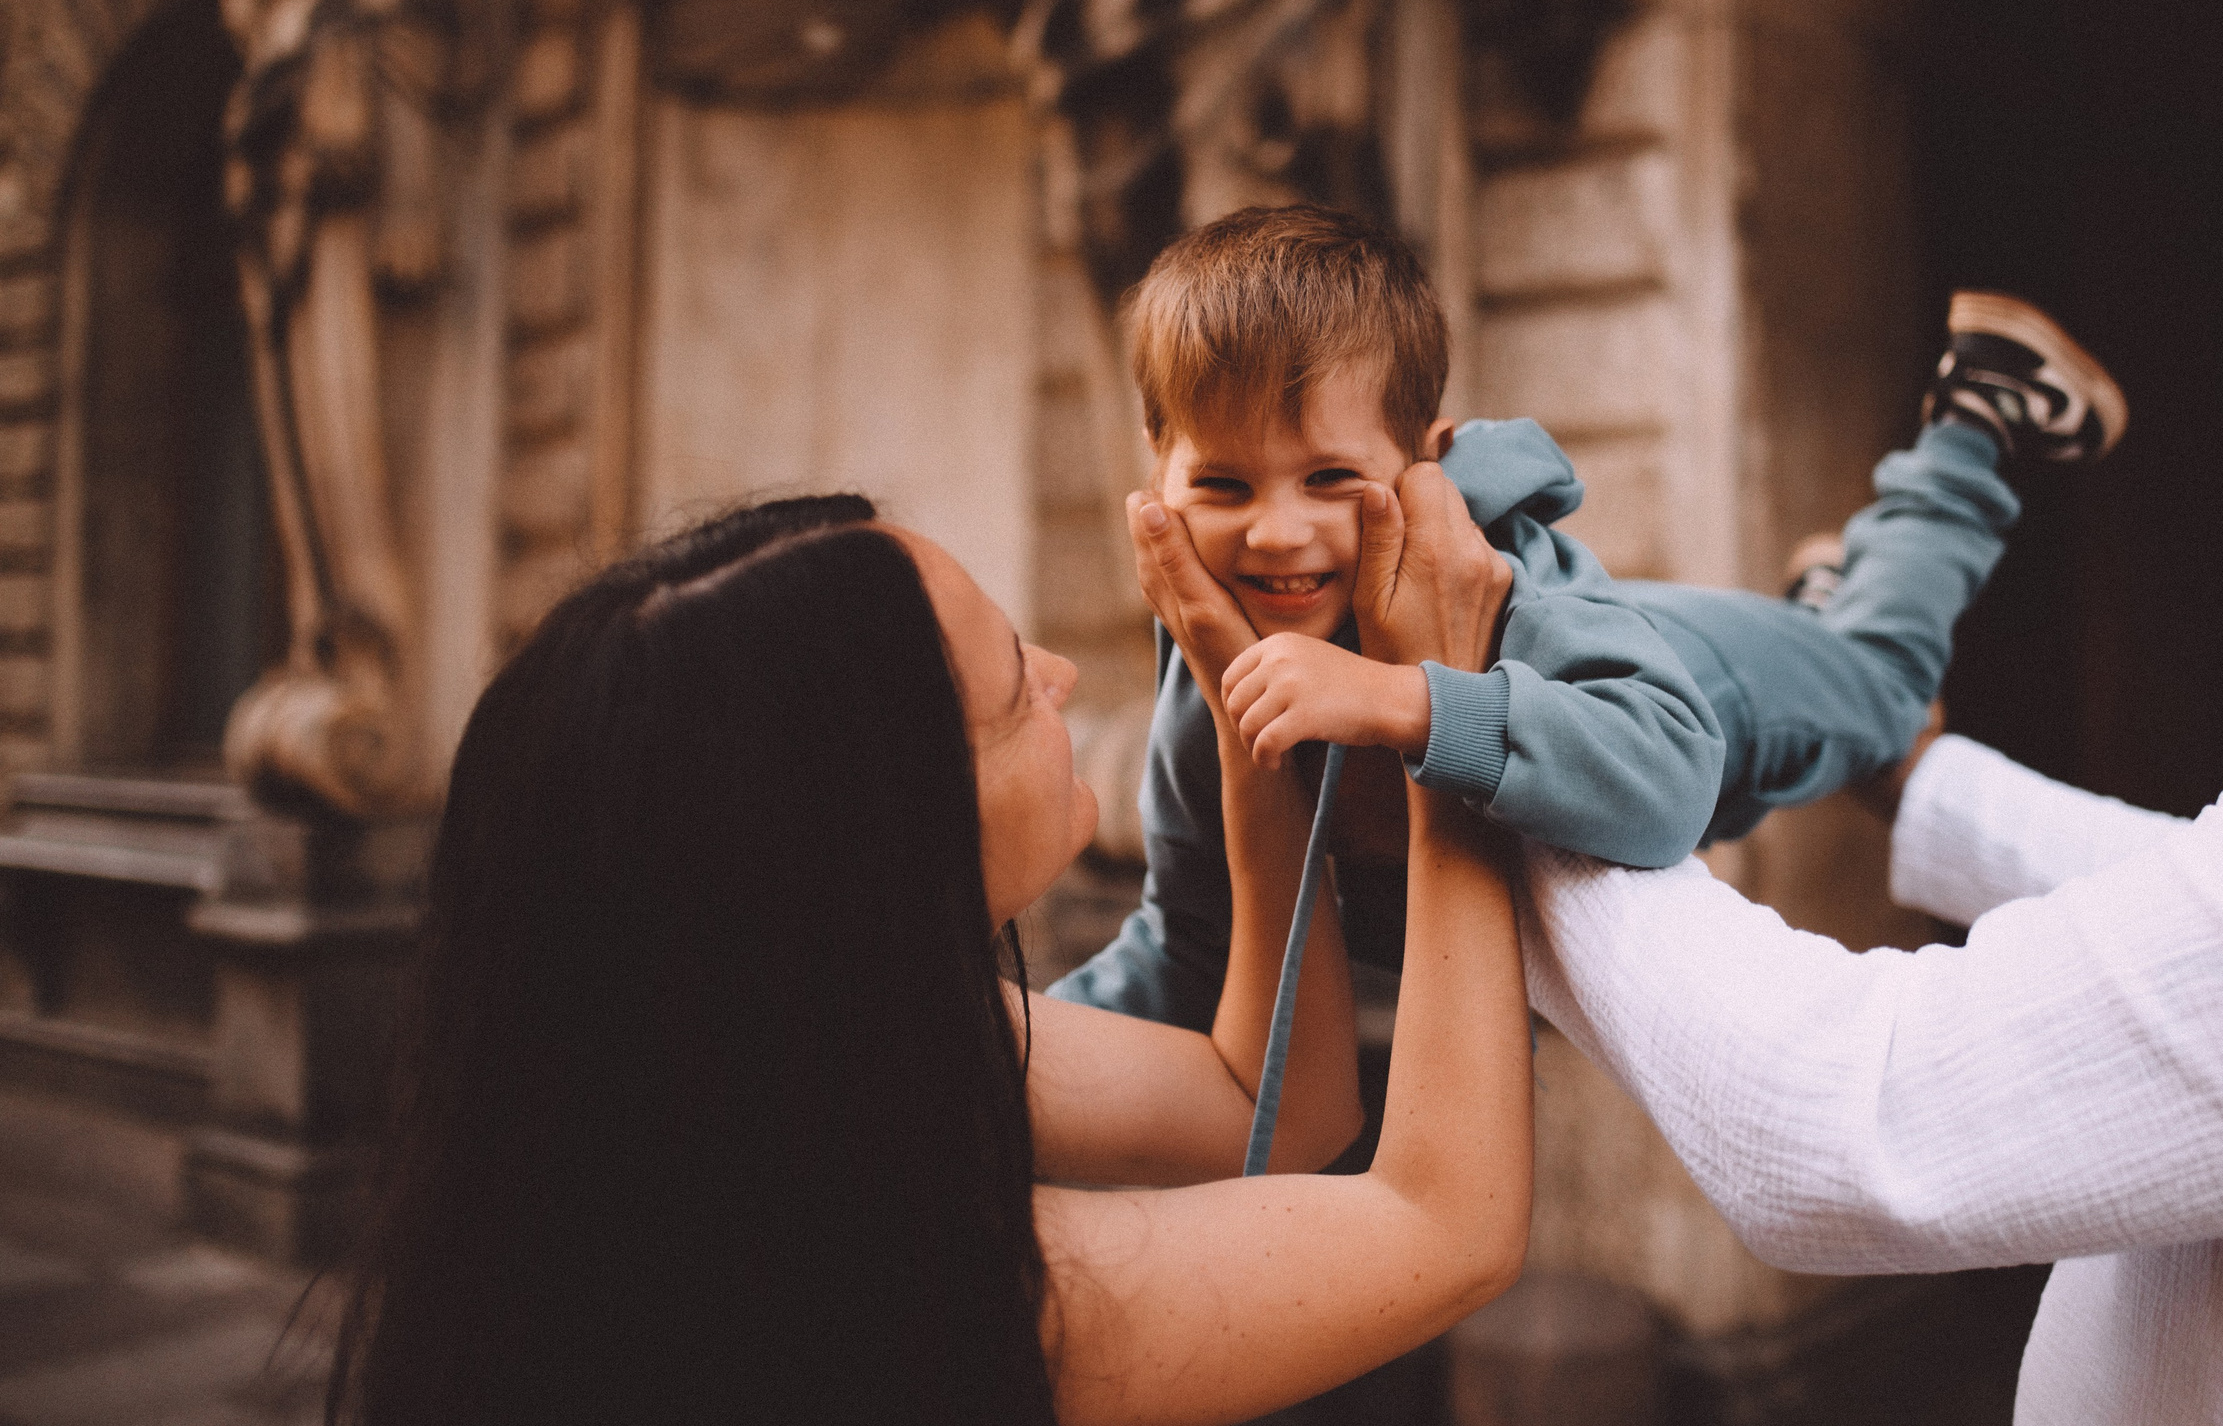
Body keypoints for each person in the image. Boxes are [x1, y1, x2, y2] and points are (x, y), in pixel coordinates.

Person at [1500, 209, 2223, 1422]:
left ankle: (1964, 440)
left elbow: (1848, 1127)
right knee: (1859, 673)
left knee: (1861, 670)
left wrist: (1496, 756)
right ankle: (1962, 446)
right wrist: (1923, 781)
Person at [323, 485, 1530, 1426]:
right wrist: (1449, 719)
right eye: (1013, 692)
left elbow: (1269, 1105)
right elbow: (1445, 1225)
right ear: (887, 835)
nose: (1059, 676)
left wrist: (1239, 710)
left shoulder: (762, 1046)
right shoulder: (959, 1299)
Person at [1055, 202, 2126, 1027]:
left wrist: (1402, 699)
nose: (1276, 534)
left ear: (1427, 457)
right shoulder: (1210, 624)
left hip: (1714, 687)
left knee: (1887, 693)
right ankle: (1820, 610)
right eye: (1224, 484)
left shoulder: (1498, 572)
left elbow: (1670, 773)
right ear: (1159, 465)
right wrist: (1006, 1040)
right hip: (1648, 670)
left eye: (1331, 478)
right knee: (1847, 664)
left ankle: (1977, 414)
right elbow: (1191, 934)